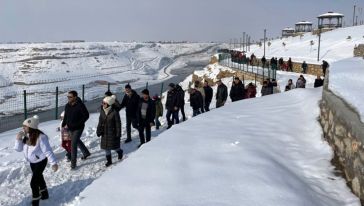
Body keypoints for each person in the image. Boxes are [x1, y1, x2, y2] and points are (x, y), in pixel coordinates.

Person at [14, 115, 58, 206]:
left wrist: (54, 163)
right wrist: (18, 139)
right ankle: (45, 194)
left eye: (25, 126)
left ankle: (35, 200)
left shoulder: (41, 137)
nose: (23, 128)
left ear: (31, 127)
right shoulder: (26, 136)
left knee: (33, 182)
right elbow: (18, 149)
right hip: (32, 162)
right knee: (39, 177)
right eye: (23, 126)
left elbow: (47, 150)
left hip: (41, 161)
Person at [62, 90, 91, 169]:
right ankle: (86, 153)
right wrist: (63, 124)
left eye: (70, 97)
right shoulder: (67, 105)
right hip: (70, 128)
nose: (68, 98)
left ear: (75, 97)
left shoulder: (80, 105)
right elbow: (66, 116)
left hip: (78, 128)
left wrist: (79, 123)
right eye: (68, 97)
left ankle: (73, 164)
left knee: (73, 144)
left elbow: (86, 115)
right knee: (77, 141)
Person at [96, 95, 123, 167]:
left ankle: (120, 152)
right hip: (104, 133)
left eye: (104, 103)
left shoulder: (114, 112)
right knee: (106, 148)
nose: (103, 104)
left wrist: (118, 134)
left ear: (109, 104)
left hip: (112, 133)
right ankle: (109, 161)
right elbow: (100, 122)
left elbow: (118, 124)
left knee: (115, 147)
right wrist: (98, 131)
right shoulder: (102, 111)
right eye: (102, 103)